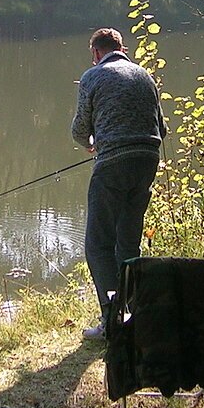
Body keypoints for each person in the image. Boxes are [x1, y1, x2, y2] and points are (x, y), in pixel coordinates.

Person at [71, 27, 167, 341]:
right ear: (122, 48)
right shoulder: (145, 77)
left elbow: (79, 130)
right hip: (147, 160)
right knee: (128, 242)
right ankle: (131, 313)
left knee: (97, 244)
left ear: (96, 53)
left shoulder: (92, 76)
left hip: (112, 164)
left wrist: (92, 142)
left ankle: (111, 321)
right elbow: (161, 129)